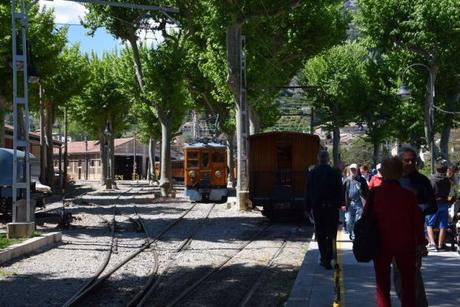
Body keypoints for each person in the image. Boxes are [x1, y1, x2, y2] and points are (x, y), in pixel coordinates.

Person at [367, 157, 425, 307]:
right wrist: (420, 243)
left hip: (380, 243)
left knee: (382, 285)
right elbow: (417, 222)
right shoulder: (409, 195)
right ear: (400, 173)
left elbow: (366, 218)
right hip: (405, 244)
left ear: (383, 173)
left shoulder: (374, 193)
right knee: (408, 284)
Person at [397, 146, 437, 307]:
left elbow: (432, 206)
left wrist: (415, 209)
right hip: (395, 234)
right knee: (398, 275)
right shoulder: (394, 181)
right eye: (406, 160)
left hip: (414, 236)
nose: (410, 163)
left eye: (413, 160)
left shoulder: (422, 181)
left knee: (413, 273)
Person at [306, 150, 343, 270]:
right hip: (332, 208)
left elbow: (308, 191)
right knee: (332, 233)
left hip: (318, 208)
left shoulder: (312, 173)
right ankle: (331, 255)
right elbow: (340, 191)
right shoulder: (335, 173)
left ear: (318, 159)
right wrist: (340, 204)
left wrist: (307, 207)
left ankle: (324, 258)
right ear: (328, 159)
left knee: (321, 233)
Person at [427, 160, 451, 251]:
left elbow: (429, 191)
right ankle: (440, 244)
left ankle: (433, 244)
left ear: (436, 170)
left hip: (433, 203)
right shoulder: (447, 180)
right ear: (445, 170)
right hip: (444, 203)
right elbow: (448, 192)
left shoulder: (432, 179)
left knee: (429, 223)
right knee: (443, 225)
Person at [343, 163, 369, 240]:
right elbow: (342, 193)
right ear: (350, 171)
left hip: (359, 203)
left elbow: (366, 192)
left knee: (357, 220)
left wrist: (366, 202)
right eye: (352, 170)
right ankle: (351, 232)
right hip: (350, 203)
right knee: (348, 221)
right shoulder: (347, 180)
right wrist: (343, 204)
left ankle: (354, 236)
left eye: (354, 169)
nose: (353, 171)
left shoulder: (362, 180)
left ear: (357, 170)